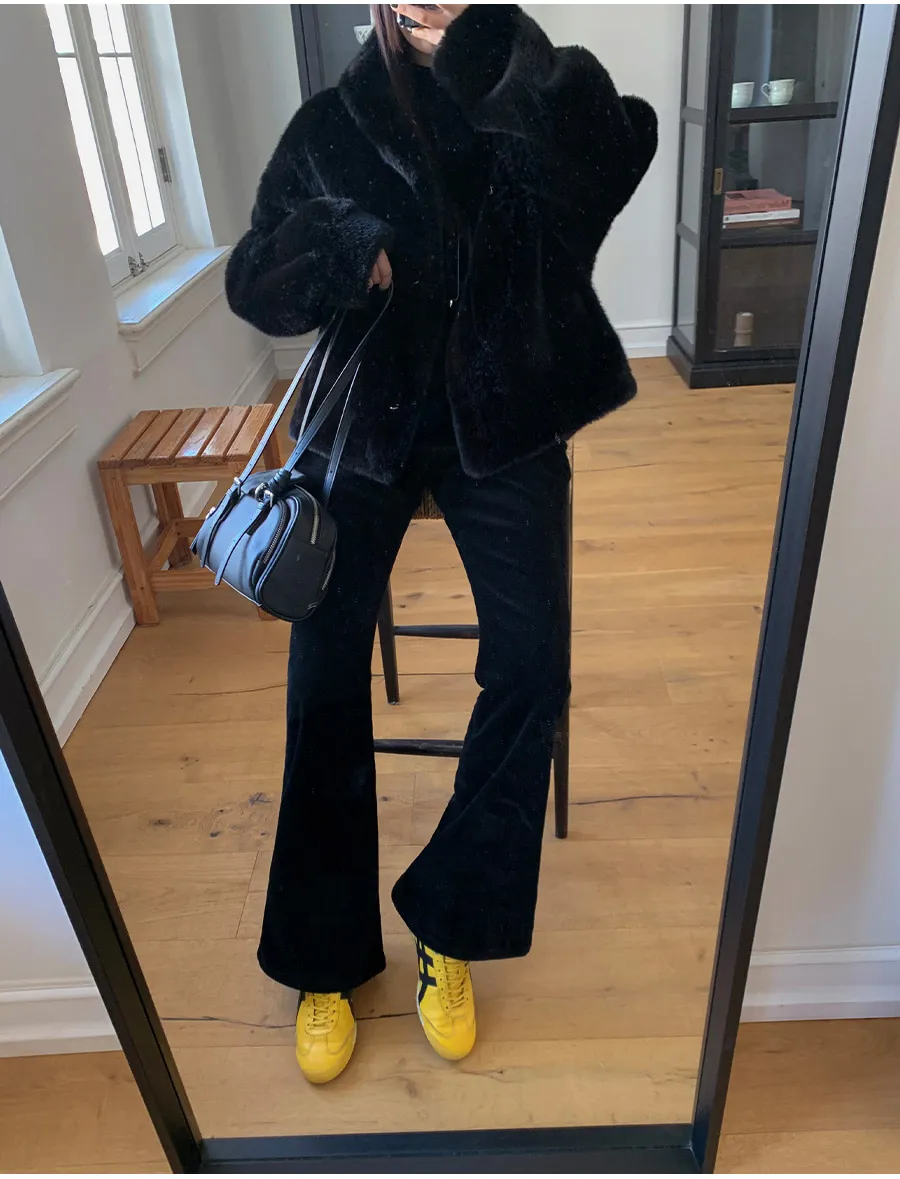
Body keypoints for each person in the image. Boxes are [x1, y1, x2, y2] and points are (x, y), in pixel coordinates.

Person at [225, 3, 657, 1085]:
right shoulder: (329, 125)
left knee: (532, 666)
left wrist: (493, 54)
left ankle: (451, 920)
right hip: (370, 422)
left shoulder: (533, 81)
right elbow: (252, 281)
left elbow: (615, 157)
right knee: (321, 673)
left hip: (505, 414)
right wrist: (342, 246)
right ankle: (324, 953)